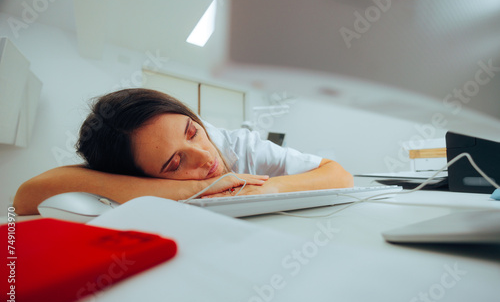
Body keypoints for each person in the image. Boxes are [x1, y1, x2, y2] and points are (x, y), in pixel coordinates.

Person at [13, 88, 353, 215]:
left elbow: (339, 175)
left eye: (192, 132)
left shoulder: (234, 145)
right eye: (175, 163)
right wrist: (191, 188)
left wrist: (259, 189)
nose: (204, 156)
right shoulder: (128, 174)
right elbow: (26, 196)